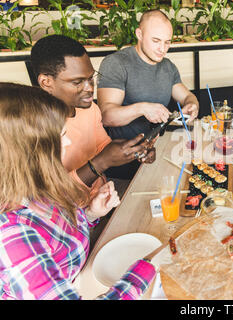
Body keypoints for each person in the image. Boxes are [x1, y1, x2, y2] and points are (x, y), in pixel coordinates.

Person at [0, 83, 160, 299]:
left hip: (83, 273)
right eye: (60, 136)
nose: (67, 142)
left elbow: (57, 234)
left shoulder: (35, 186)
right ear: (29, 150)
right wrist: (148, 266)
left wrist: (90, 214)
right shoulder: (11, 235)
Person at [30, 35, 157, 196]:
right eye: (77, 82)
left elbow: (103, 147)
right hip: (70, 215)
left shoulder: (90, 109)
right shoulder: (32, 128)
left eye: (91, 78)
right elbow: (53, 195)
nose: (89, 88)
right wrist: (101, 162)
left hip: (102, 195)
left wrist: (135, 150)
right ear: (46, 82)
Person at [97, 9, 199, 179]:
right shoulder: (116, 63)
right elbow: (106, 116)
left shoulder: (168, 67)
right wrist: (142, 108)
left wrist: (192, 105)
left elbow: (188, 97)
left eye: (167, 42)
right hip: (124, 161)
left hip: (157, 153)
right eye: (156, 41)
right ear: (139, 34)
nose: (162, 49)